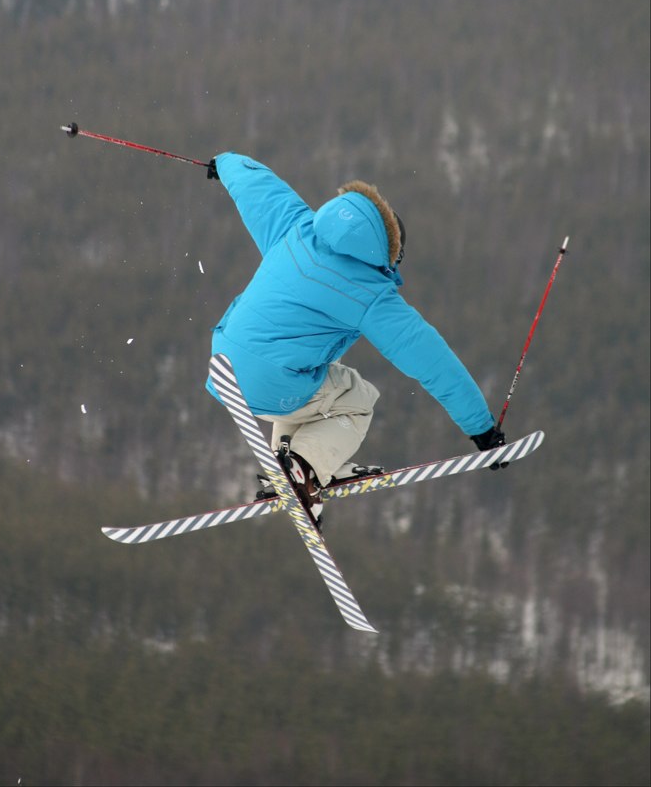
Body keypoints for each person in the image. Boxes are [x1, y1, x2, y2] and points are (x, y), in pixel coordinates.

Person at [205, 152, 504, 529]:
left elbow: (259, 189)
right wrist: (481, 428)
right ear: (389, 253)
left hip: (223, 364)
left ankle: (296, 469)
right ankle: (304, 469)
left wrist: (224, 164)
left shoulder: (297, 226)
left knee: (321, 380)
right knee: (357, 398)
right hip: (271, 383)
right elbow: (433, 362)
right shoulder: (371, 292)